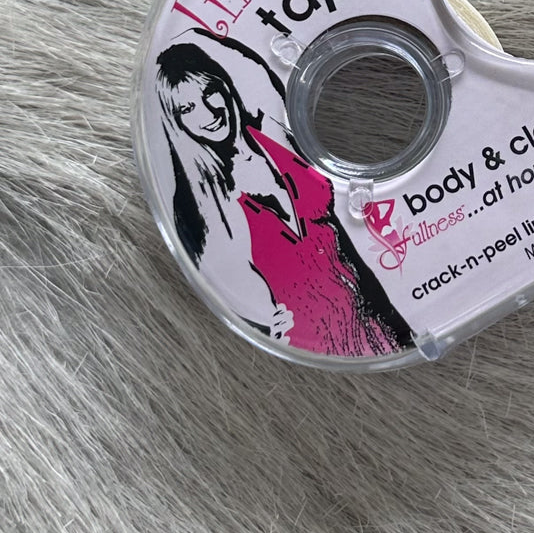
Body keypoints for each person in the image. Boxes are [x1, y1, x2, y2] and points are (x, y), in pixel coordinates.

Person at [155, 31, 411, 360]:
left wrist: (191, 30)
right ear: (176, 123)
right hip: (319, 346)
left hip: (376, 319)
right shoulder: (201, 202)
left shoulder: (270, 134)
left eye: (209, 91)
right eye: (187, 108)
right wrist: (267, 322)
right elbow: (222, 283)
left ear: (225, 85)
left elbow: (258, 68)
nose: (208, 113)